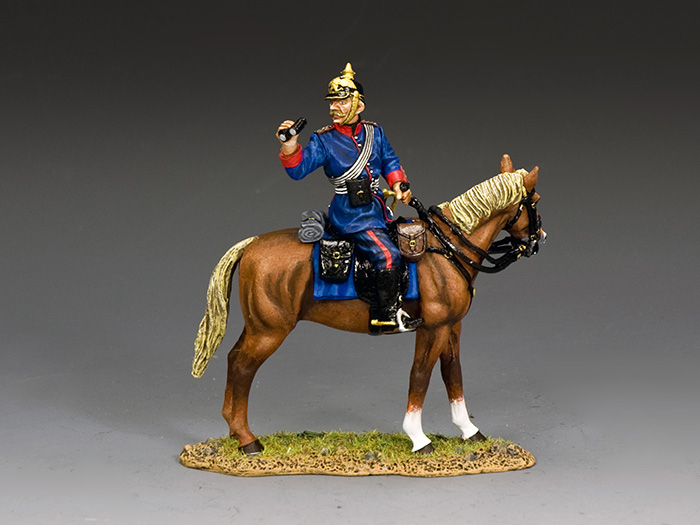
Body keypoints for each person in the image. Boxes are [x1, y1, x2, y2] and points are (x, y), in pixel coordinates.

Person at [277, 63, 422, 334]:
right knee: (388, 255)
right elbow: (298, 170)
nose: (335, 107)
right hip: (350, 214)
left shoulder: (375, 132)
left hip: (377, 209)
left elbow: (389, 161)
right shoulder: (324, 140)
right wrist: (289, 146)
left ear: (359, 105)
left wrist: (398, 182)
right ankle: (387, 315)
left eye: (342, 101)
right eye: (333, 102)